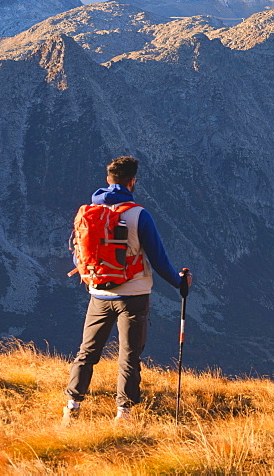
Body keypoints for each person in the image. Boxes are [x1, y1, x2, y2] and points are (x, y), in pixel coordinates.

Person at [63, 155, 191, 423]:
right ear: (132, 182)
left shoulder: (87, 211)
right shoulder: (138, 214)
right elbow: (158, 259)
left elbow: (78, 254)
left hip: (99, 293)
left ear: (108, 180)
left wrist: (93, 276)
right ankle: (124, 413)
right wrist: (180, 283)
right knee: (129, 355)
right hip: (133, 294)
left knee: (87, 352)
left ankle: (72, 407)